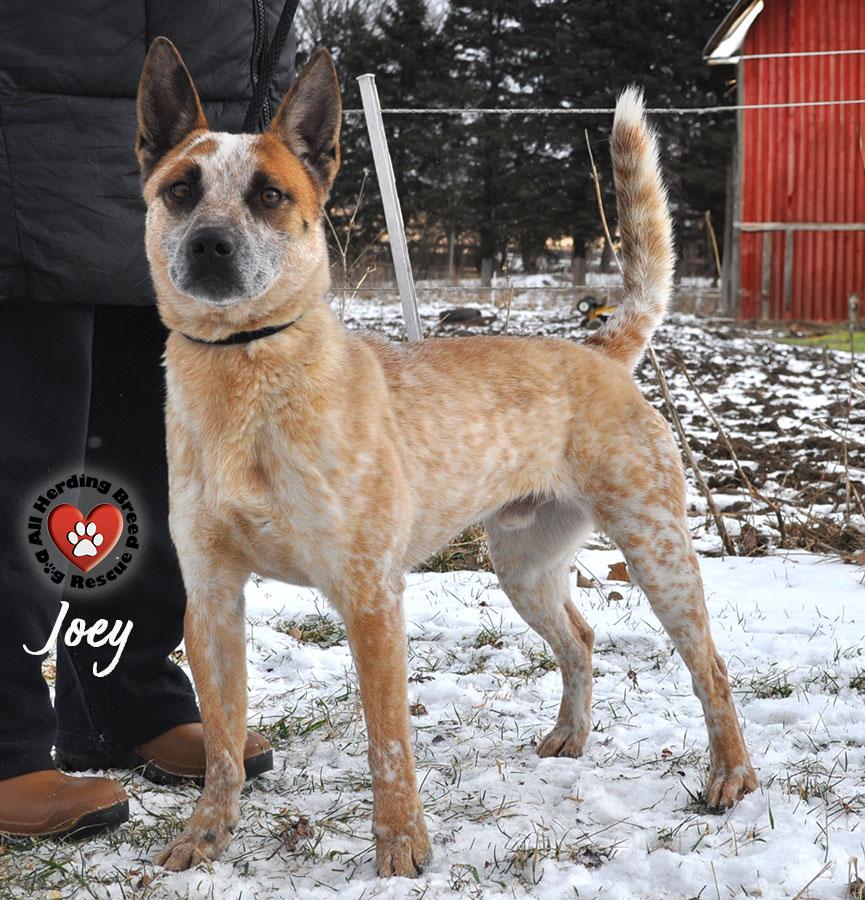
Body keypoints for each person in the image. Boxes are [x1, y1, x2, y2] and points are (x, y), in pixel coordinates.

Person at [0, 1, 296, 838]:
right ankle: (6, 741)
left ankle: (125, 697)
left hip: (197, 110)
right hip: (28, 111)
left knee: (143, 458)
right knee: (23, 456)